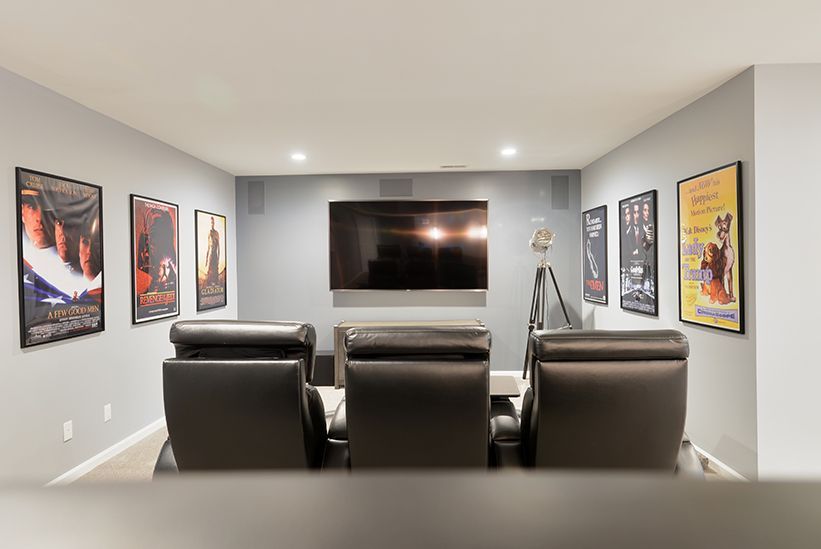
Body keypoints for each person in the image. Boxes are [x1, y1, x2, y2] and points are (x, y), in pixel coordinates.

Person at [204, 216, 220, 285]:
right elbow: (208, 246)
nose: (212, 224)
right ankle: (210, 283)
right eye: (211, 222)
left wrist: (218, 257)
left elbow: (219, 247)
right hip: (211, 254)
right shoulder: (209, 233)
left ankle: (215, 282)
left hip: (215, 254)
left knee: (215, 269)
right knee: (210, 270)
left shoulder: (216, 233)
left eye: (213, 222)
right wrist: (206, 258)